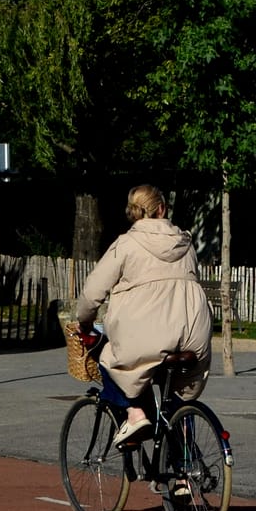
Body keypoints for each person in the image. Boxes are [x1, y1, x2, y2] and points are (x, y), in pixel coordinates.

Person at [74, 185, 213, 446]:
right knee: (178, 400)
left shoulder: (126, 244)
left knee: (108, 361)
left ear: (133, 213)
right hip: (194, 335)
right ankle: (184, 473)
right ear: (162, 209)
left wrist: (85, 321)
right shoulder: (186, 243)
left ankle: (135, 414)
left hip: (146, 337)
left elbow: (93, 292)